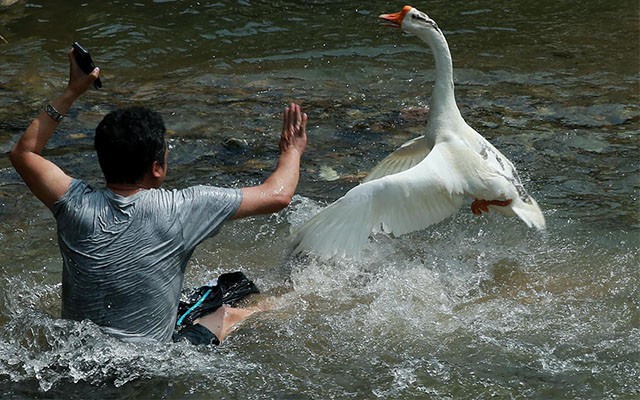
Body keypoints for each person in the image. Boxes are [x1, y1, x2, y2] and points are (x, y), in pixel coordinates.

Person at [9, 47, 308, 345]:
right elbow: (277, 195)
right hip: (150, 367)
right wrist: (291, 151)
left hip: (79, 360)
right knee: (230, 305)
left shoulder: (72, 203)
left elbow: (23, 153)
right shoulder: (182, 208)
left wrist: (72, 91)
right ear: (156, 169)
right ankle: (273, 310)